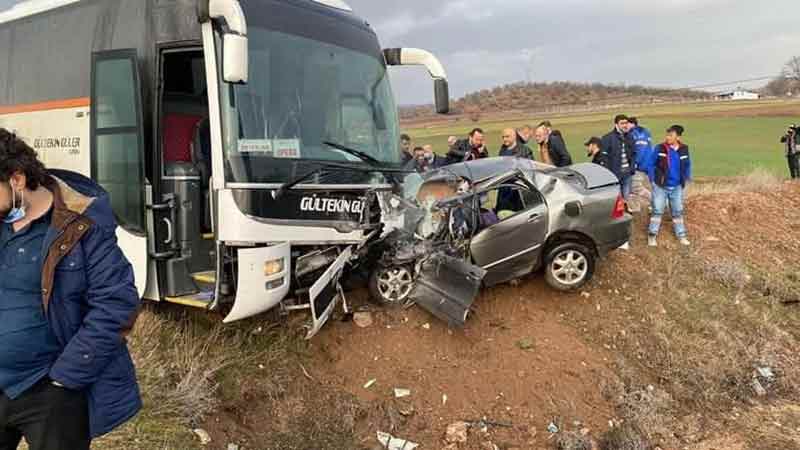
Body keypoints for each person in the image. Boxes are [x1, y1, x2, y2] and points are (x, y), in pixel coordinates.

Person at [0, 129, 141, 450]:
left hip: (50, 390)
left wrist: (66, 379)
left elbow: (117, 304)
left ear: (17, 180)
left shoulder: (81, 225)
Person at [647, 125, 692, 247]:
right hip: (660, 186)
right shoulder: (660, 148)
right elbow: (650, 164)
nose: (667, 137)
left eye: (670, 135)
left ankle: (681, 236)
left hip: (677, 186)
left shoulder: (684, 149)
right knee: (657, 210)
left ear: (678, 137)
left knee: (677, 210)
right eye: (667, 135)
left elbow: (687, 164)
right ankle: (652, 236)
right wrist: (652, 180)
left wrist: (687, 179)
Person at [600, 114, 636, 201]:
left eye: (626, 123)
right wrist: (609, 173)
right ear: (616, 125)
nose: (625, 125)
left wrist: (631, 168)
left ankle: (626, 212)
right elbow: (604, 158)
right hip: (614, 175)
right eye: (622, 123)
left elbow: (633, 154)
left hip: (627, 173)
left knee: (626, 197)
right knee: (616, 199)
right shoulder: (607, 138)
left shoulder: (630, 137)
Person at [628, 117, 654, 213]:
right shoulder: (643, 132)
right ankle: (636, 207)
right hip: (648, 162)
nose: (625, 126)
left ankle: (655, 203)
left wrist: (635, 163)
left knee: (635, 186)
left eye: (627, 123)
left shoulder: (637, 134)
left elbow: (640, 150)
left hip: (641, 164)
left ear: (633, 124)